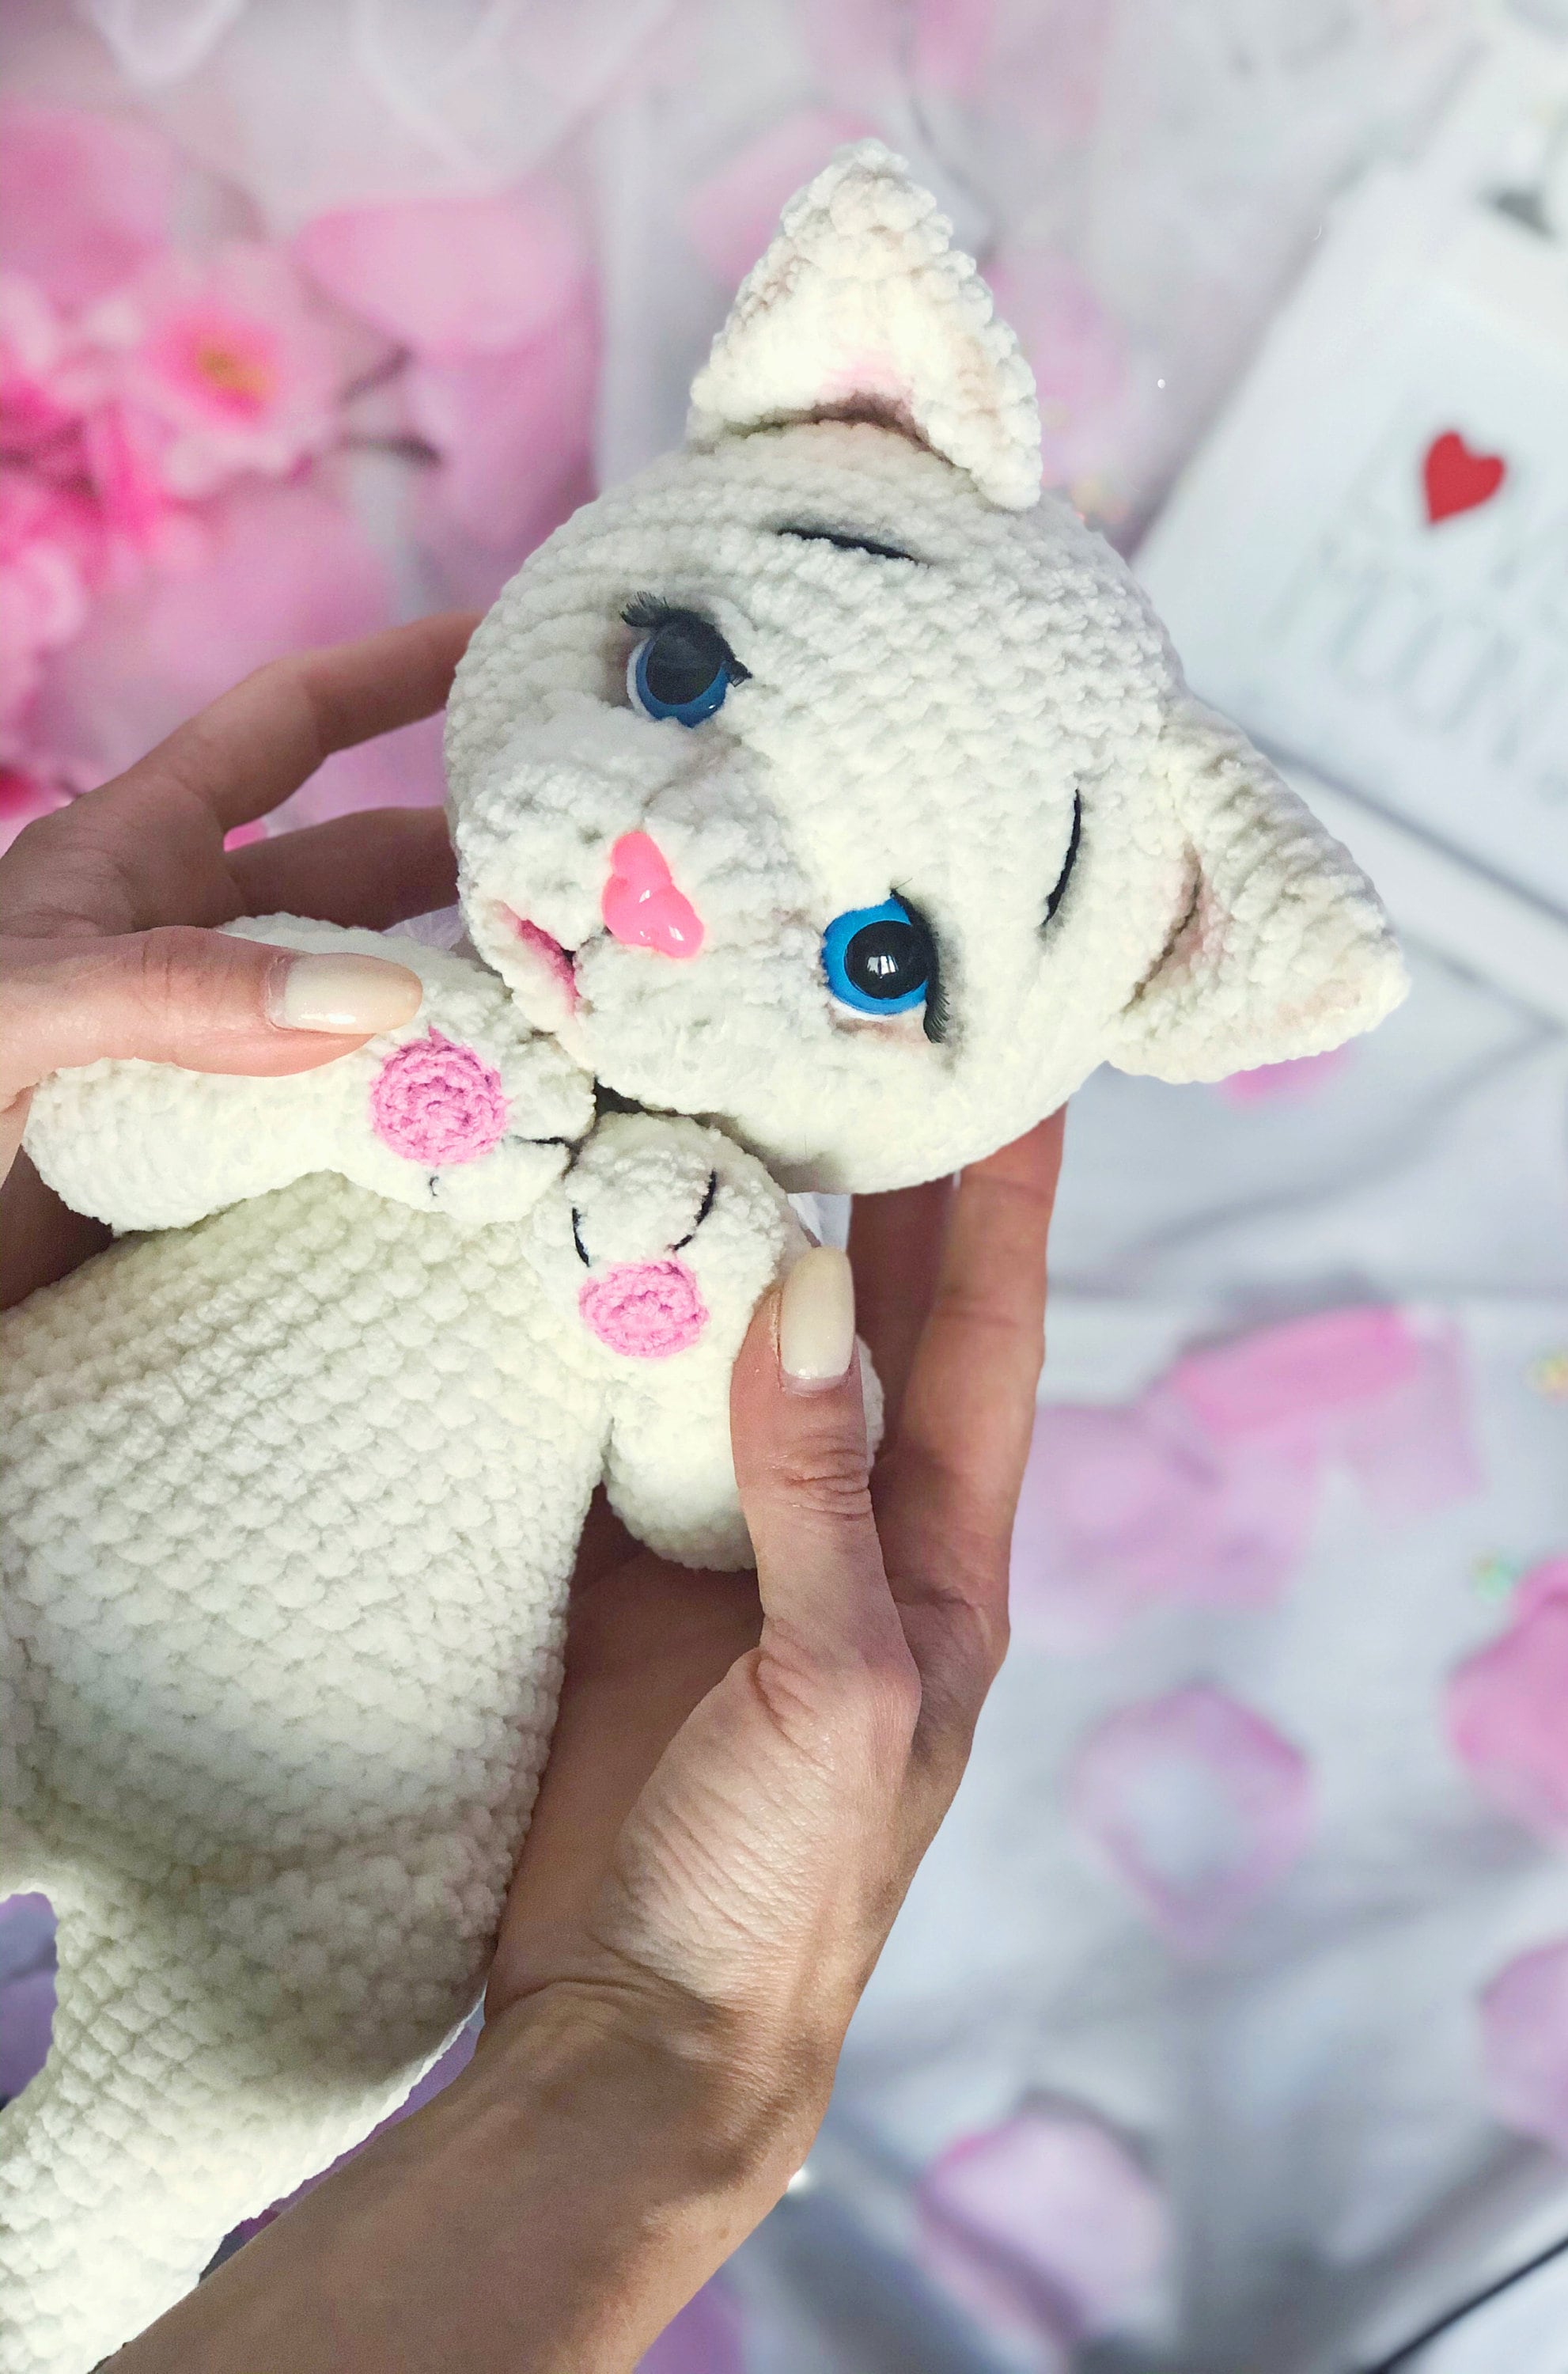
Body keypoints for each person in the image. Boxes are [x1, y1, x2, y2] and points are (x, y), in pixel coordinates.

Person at [0, 615, 1064, 2372]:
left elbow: (703, 1517)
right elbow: (107, 1135)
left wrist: (679, 1312)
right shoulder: (350, 990)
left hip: (352, 1810)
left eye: (879, 959)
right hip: (38, 1570)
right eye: (677, 689)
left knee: (174, 2149)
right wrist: (343, 1095)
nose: (678, 892)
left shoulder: (728, 1224)